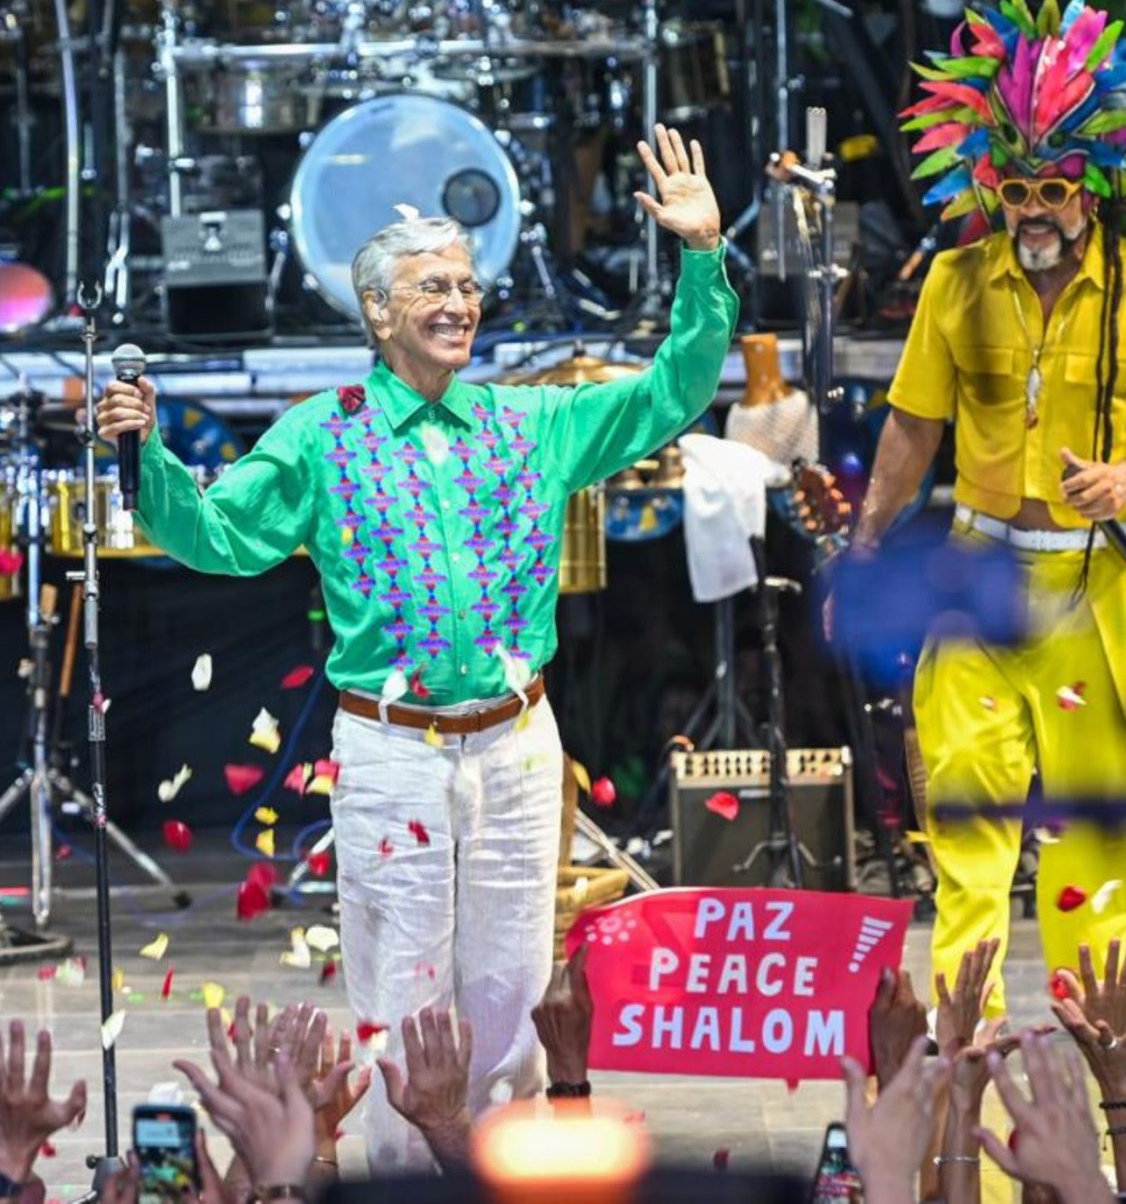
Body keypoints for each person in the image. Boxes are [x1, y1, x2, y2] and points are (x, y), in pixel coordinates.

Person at [94, 125, 737, 1174]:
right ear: (379, 312)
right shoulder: (323, 434)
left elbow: (672, 391)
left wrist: (702, 257)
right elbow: (214, 534)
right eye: (433, 285)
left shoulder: (531, 424)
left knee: (514, 995)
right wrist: (149, 455)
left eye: (469, 284)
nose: (459, 301)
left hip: (517, 743)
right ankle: (405, 1184)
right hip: (391, 749)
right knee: (402, 995)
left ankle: (520, 1182)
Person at [847, 0, 1126, 1017]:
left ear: (1092, 188)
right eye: (1013, 187)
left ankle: (1099, 1061)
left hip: (1094, 582)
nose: (1031, 209)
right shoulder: (954, 280)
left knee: (1095, 848)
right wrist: (866, 537)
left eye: (1052, 188)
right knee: (967, 841)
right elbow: (911, 423)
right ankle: (960, 1059)